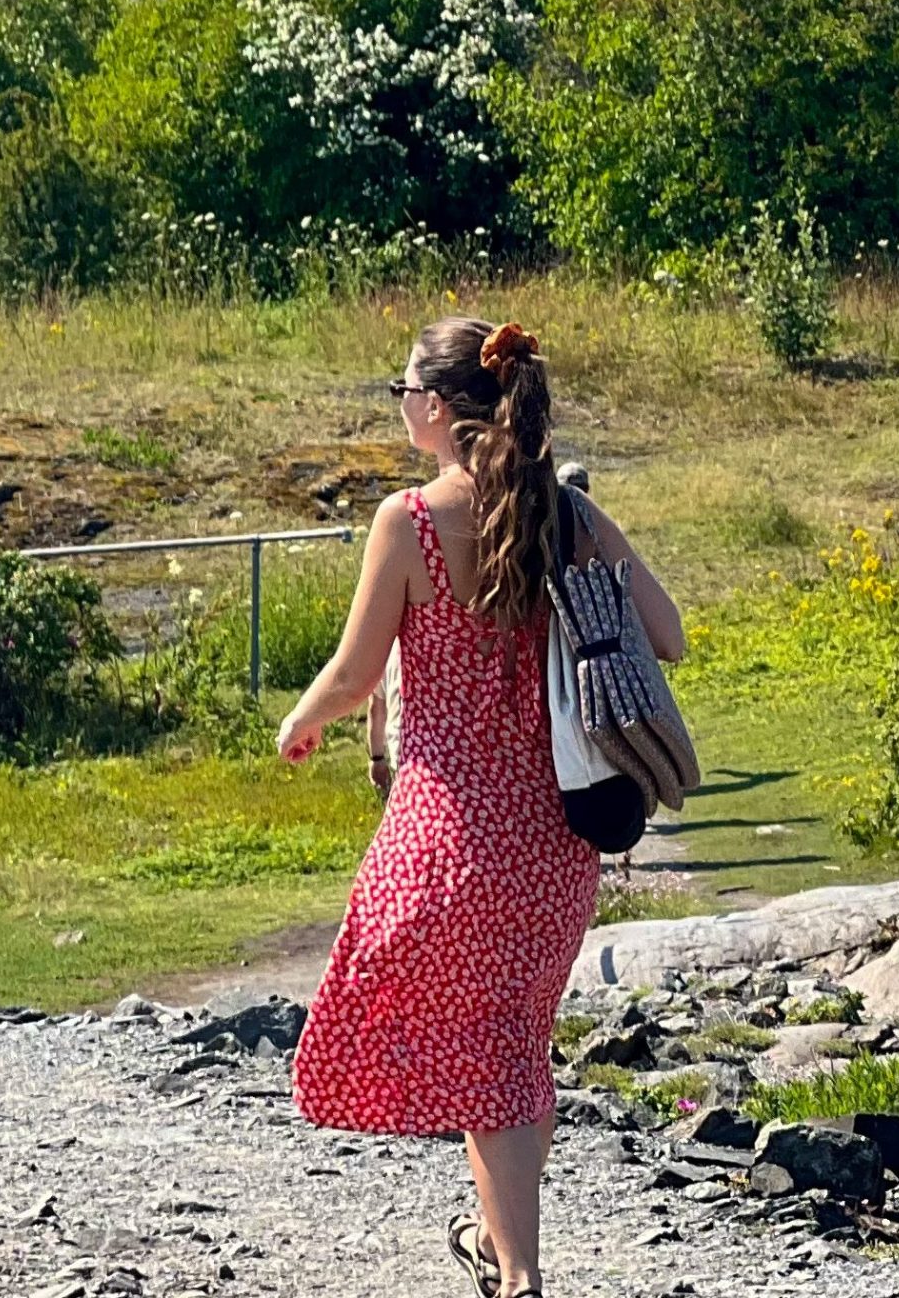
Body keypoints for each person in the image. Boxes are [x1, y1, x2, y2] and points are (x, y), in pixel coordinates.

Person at [275, 316, 684, 1298]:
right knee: (512, 1049)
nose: (397, 403)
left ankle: (521, 1275)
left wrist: (300, 722)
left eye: (401, 388)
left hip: (447, 839)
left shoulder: (410, 522)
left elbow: (352, 673)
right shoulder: (572, 517)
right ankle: (503, 1245)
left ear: (436, 405)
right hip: (558, 842)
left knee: (487, 1058)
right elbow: (665, 635)